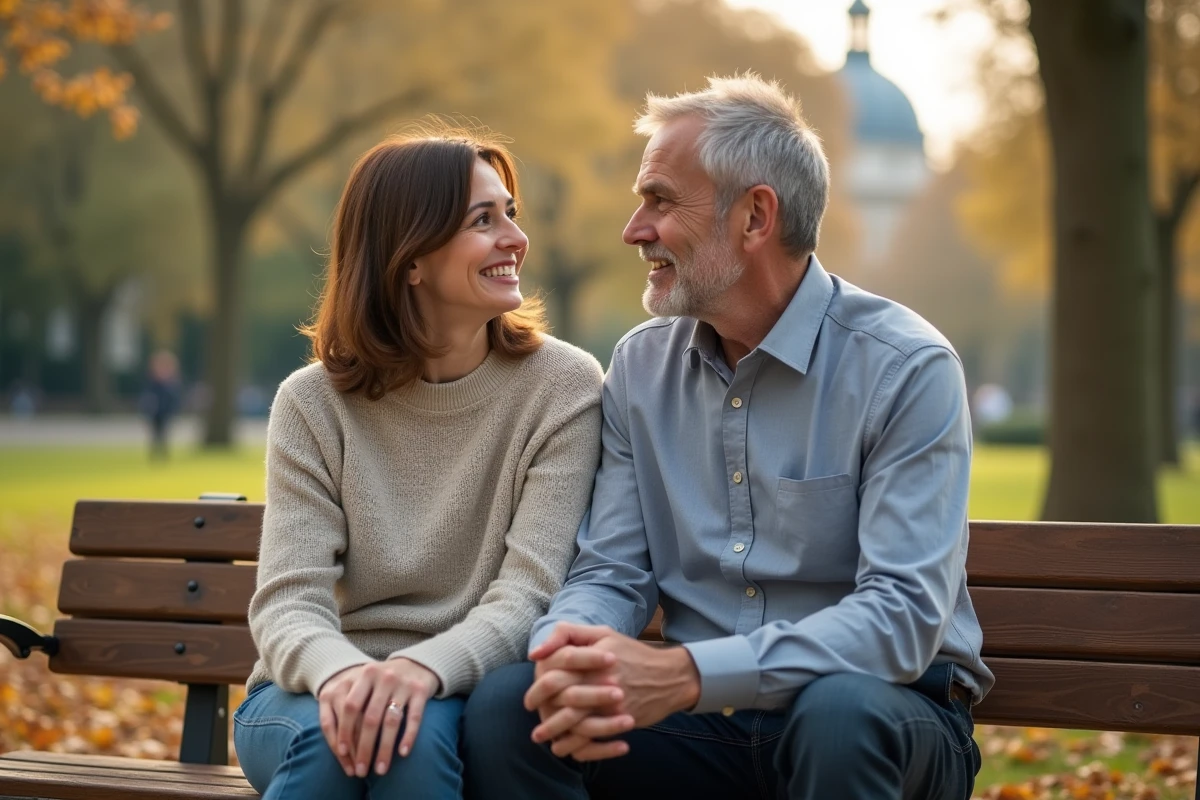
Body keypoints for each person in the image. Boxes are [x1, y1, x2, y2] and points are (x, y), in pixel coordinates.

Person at [462, 74, 995, 800]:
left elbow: (900, 621)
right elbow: (613, 570)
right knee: (515, 707)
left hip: (887, 712)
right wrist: (571, 647)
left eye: (660, 201)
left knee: (838, 715)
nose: (634, 230)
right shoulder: (640, 367)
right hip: (702, 724)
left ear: (754, 217)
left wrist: (689, 674)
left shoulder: (905, 367)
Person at [233, 129, 604, 800]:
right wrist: (347, 679)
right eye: (483, 221)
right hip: (307, 692)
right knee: (349, 742)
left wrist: (419, 672)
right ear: (410, 259)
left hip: (454, 685)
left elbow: (530, 593)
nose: (516, 239)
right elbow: (290, 603)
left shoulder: (563, 387)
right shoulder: (312, 403)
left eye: (510, 213)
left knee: (407, 741)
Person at [141, 350, 181, 459]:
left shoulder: (171, 384)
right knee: (155, 433)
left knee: (164, 433)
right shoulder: (153, 383)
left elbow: (173, 399)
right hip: (155, 412)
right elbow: (147, 397)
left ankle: (163, 453)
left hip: (165, 412)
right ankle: (155, 453)